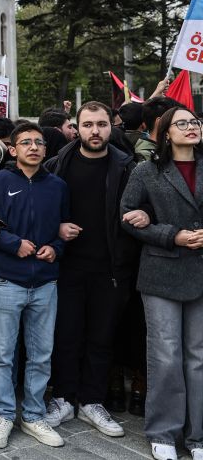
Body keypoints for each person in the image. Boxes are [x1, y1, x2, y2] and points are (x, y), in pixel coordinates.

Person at [42, 102, 137, 438]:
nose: (95, 131)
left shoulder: (127, 166)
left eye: (101, 124)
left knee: (101, 338)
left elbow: (142, 209)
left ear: (111, 127)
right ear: (77, 128)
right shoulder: (57, 164)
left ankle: (92, 401)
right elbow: (39, 211)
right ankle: (65, 398)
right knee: (66, 336)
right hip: (67, 266)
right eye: (87, 125)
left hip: (110, 269)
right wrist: (58, 228)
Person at [0, 122, 68, 450]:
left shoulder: (57, 185)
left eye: (39, 143)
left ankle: (33, 414)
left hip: (45, 282)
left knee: (41, 354)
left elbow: (63, 229)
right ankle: (2, 413)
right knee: (2, 353)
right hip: (6, 280)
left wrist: (55, 247)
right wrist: (13, 243)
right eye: (26, 143)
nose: (34, 147)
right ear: (13, 150)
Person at [120, 106, 203, 460]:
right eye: (181, 123)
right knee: (165, 355)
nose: (191, 127)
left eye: (194, 122)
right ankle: (164, 432)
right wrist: (173, 236)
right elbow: (127, 217)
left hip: (200, 270)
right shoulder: (146, 170)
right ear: (165, 132)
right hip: (162, 271)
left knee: (198, 357)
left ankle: (198, 436)